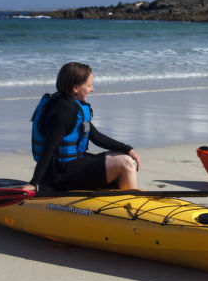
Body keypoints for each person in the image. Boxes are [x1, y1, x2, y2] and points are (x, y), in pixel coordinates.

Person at [29, 62, 141, 193]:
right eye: (89, 85)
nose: (92, 89)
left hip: (69, 167)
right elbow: (50, 147)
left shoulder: (68, 104)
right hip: (60, 175)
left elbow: (96, 136)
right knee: (125, 163)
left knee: (121, 156)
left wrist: (128, 149)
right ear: (75, 88)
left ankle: (122, 194)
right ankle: (131, 207)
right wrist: (34, 183)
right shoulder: (63, 111)